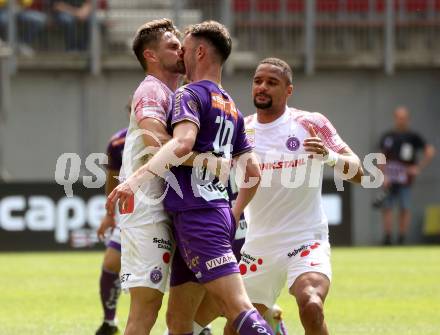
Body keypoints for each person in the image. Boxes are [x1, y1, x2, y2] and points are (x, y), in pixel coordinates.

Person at [107, 20, 274, 335]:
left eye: (181, 45)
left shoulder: (187, 94)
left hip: (192, 214)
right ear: (151, 56)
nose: (180, 50)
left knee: (229, 308)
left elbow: (179, 146)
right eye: (173, 46)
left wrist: (133, 179)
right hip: (159, 211)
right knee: (174, 318)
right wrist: (230, 208)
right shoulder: (224, 104)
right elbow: (250, 173)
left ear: (199, 52)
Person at [224, 57, 364, 335]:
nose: (262, 87)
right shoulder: (241, 130)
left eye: (271, 82)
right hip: (258, 244)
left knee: (311, 304)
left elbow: (360, 173)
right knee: (236, 328)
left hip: (304, 238)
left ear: (289, 90)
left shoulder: (310, 123)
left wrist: (330, 156)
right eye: (257, 81)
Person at [94, 100, 131, 335]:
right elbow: (112, 178)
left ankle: (202, 325)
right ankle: (110, 322)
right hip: (130, 214)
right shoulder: (118, 143)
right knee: (110, 263)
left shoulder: (168, 136)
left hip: (168, 213)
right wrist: (109, 214)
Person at [379, 106, 435, 245]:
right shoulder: (388, 136)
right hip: (390, 178)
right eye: (399, 117)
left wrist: (418, 167)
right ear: (395, 118)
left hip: (406, 179)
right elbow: (381, 157)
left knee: (405, 207)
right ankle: (388, 237)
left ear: (408, 119)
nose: (401, 120)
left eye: (403, 118)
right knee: (387, 207)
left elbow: (430, 151)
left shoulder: (413, 137)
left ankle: (402, 238)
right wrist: (383, 175)